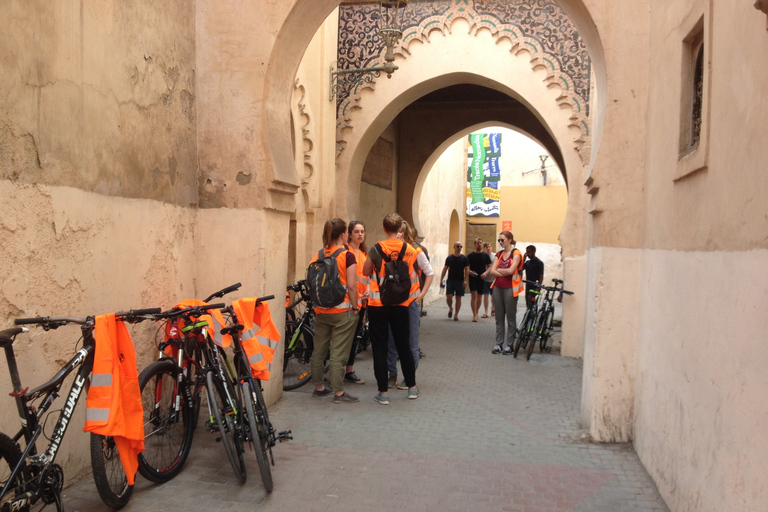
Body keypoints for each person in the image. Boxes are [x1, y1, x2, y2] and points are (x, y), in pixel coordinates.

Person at [363, 213, 429, 404]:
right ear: (401, 229)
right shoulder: (411, 249)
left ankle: (383, 393)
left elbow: (366, 271)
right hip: (402, 304)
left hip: (378, 305)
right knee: (404, 347)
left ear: (384, 228)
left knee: (380, 348)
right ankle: (412, 388)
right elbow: (419, 272)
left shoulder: (376, 249)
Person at [309, 218, 360, 404]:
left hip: (321, 310)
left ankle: (319, 387)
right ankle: (339, 392)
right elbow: (352, 286)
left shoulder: (318, 255)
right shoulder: (347, 255)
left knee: (319, 350)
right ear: (343, 234)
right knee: (338, 353)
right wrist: (355, 307)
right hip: (342, 310)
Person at [386, 220, 434, 389]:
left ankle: (409, 377)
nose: (395, 236)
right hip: (392, 303)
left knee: (411, 341)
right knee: (391, 340)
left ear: (403, 234)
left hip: (410, 303)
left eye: (398, 233)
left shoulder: (416, 251)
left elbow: (429, 272)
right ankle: (391, 374)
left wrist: (421, 295)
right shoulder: (388, 249)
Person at [343, 220, 369, 385]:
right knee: (345, 338)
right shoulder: (346, 252)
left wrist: (368, 290)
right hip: (349, 303)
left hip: (362, 303)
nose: (360, 234)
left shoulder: (364, 254)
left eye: (362, 231)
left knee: (354, 338)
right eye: (356, 231)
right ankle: (339, 370)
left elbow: (367, 278)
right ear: (350, 234)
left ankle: (349, 371)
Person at [489, 231, 524, 355]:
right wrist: (502, 271)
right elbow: (492, 271)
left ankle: (509, 345)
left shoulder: (516, 254)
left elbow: (511, 271)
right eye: (499, 240)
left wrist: (499, 270)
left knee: (510, 317)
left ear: (509, 240)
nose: (500, 242)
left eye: (502, 240)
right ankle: (499, 344)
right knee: (499, 317)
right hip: (498, 287)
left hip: (511, 288)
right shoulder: (498, 254)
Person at [439, 242, 469, 321]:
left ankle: (456, 314)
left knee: (458, 298)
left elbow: (467, 270)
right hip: (451, 280)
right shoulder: (449, 258)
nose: (459, 248)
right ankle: (450, 308)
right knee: (449, 297)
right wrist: (441, 279)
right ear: (454, 247)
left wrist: (466, 280)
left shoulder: (464, 258)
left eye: (461, 246)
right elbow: (445, 269)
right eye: (458, 246)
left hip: (460, 280)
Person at [467, 237, 492, 322]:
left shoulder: (485, 255)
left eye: (480, 243)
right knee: (473, 295)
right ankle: (474, 315)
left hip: (481, 278)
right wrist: (469, 271)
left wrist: (485, 273)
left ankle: (476, 312)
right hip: (472, 278)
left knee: (479, 297)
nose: (479, 244)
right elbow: (466, 268)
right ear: (475, 244)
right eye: (478, 243)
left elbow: (489, 267)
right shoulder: (470, 255)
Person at [523, 245, 544, 309]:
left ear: (534, 251)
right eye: (527, 252)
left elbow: (541, 276)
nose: (528, 254)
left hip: (535, 287)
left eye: (529, 252)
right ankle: (528, 318)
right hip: (528, 286)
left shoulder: (539, 263)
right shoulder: (527, 262)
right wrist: (524, 259)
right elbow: (521, 268)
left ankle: (533, 318)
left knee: (533, 305)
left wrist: (538, 286)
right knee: (528, 305)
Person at [480, 242, 496, 318]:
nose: (488, 248)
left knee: (493, 296)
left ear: (491, 247)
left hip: (493, 279)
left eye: (489, 246)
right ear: (484, 248)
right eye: (486, 247)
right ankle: (485, 312)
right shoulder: (483, 256)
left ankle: (493, 309)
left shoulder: (495, 256)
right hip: (485, 279)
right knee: (485, 295)